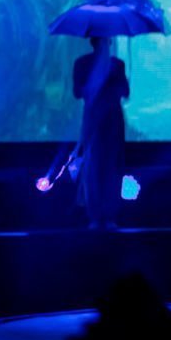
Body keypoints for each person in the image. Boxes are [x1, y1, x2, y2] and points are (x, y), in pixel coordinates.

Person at [73, 36, 129, 229]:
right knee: (93, 164)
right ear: (95, 43)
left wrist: (115, 78)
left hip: (113, 120)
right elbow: (77, 92)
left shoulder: (117, 65)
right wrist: (94, 80)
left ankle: (110, 214)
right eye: (103, 41)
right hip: (93, 120)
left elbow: (125, 92)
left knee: (112, 164)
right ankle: (95, 214)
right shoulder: (82, 63)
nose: (106, 44)